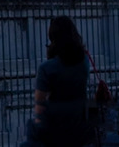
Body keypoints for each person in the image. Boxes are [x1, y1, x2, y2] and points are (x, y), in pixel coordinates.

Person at [27, 16, 93, 147]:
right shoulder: (84, 62)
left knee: (31, 128)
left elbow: (39, 104)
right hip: (81, 125)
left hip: (55, 127)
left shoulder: (47, 68)